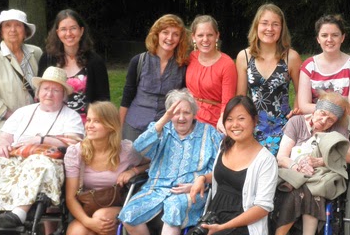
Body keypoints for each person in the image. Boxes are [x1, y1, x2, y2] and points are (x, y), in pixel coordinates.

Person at [168, 96, 278, 235]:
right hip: (214, 217)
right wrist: (202, 178)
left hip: (242, 225)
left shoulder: (266, 160)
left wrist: (224, 226)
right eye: (229, 119)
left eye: (241, 119)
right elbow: (222, 175)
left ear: (255, 121)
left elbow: (262, 208)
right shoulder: (225, 147)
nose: (234, 125)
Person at [117, 89, 222, 235]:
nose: (181, 117)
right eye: (175, 113)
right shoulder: (162, 130)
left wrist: (196, 182)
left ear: (194, 113)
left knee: (175, 206)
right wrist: (164, 119)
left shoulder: (209, 134)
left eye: (186, 112)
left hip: (191, 191)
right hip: (156, 188)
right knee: (128, 213)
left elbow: (219, 168)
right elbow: (138, 147)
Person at [0, 67, 83, 232]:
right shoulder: (23, 112)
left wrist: (41, 140)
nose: (49, 94)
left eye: (55, 90)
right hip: (15, 157)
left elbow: (73, 143)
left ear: (63, 95)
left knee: (38, 164)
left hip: (47, 160)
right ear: (38, 92)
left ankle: (19, 214)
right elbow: (5, 137)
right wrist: (2, 146)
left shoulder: (71, 116)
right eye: (45, 89)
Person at [263, 92, 350, 235]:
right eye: (322, 114)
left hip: (320, 176)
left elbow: (349, 157)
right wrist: (297, 166)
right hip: (293, 173)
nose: (324, 121)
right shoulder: (297, 122)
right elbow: (281, 157)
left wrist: (321, 161)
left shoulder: (338, 129)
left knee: (309, 189)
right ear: (316, 108)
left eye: (331, 120)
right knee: (301, 187)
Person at [64, 101, 148, 235]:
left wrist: (134, 170)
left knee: (101, 216)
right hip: (88, 207)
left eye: (97, 121)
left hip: (116, 204)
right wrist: (88, 222)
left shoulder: (126, 150)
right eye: (89, 120)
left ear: (110, 126)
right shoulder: (76, 152)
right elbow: (70, 197)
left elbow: (151, 164)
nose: (90, 126)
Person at [235, 4, 301, 155]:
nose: (269, 28)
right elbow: (241, 98)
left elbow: (300, 92)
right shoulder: (244, 57)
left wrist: (294, 119)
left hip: (283, 125)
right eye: (264, 23)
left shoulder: (291, 57)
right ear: (257, 26)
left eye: (275, 24)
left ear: (281, 29)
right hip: (253, 123)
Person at [0, 9, 42, 147]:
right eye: (7, 25)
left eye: (18, 25)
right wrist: (17, 120)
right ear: (1, 31)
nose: (13, 30)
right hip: (0, 132)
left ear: (26, 31)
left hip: (32, 132)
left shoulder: (36, 53)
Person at [120, 14, 189, 142]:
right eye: (165, 32)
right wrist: (118, 128)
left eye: (175, 34)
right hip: (135, 124)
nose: (170, 38)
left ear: (180, 39)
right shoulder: (139, 61)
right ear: (157, 34)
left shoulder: (183, 66)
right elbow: (127, 96)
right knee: (131, 160)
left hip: (166, 127)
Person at [297, 14, 350, 140]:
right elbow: (303, 106)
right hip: (313, 129)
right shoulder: (308, 66)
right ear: (318, 39)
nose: (329, 39)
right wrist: (335, 111)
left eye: (335, 35)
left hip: (343, 130)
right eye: (324, 35)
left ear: (342, 38)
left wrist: (323, 111)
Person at [38, 9, 110, 123]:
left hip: (86, 125)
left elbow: (103, 100)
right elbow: (40, 94)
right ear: (57, 33)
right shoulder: (47, 59)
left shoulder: (95, 62)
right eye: (63, 29)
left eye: (73, 28)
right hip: (52, 122)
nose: (68, 33)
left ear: (81, 31)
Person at [185, 15, 237, 131]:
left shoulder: (227, 64)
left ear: (217, 36)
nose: (205, 39)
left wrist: (223, 119)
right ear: (193, 37)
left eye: (210, 35)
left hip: (213, 121)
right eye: (200, 35)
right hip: (188, 116)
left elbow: (228, 101)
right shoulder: (190, 58)